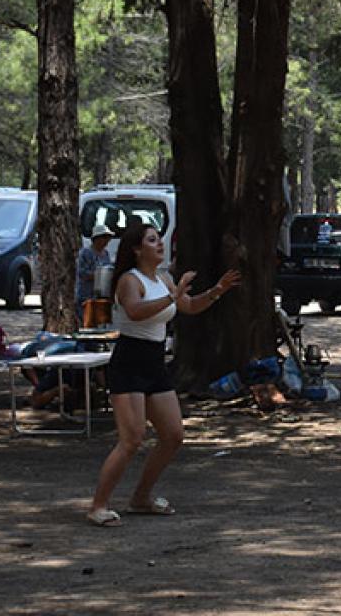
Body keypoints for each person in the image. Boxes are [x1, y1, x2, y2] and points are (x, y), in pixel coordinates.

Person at [87, 222, 241, 527]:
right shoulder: (129, 280)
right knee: (131, 440)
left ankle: (141, 498)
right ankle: (98, 505)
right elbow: (135, 311)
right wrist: (174, 296)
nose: (159, 244)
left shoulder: (164, 279)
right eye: (152, 240)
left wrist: (217, 291)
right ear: (136, 249)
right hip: (129, 361)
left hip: (155, 363)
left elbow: (190, 306)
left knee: (173, 435)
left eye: (159, 239)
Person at [76, 224, 114, 320]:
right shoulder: (85, 253)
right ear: (96, 239)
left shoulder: (106, 254)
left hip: (102, 296)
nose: (107, 241)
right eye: (104, 238)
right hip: (86, 295)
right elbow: (82, 272)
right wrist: (99, 276)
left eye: (108, 238)